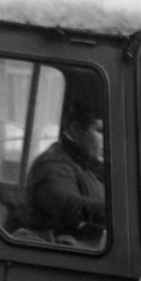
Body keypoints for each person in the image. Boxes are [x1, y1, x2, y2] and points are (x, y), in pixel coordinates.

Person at [26, 103, 106, 244]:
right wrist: (124, 214)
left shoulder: (88, 164)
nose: (109, 139)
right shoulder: (51, 163)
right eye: (100, 131)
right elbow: (66, 205)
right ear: (75, 131)